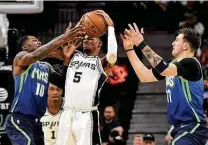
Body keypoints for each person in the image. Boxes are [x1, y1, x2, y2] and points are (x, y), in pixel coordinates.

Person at [121, 24, 208, 145]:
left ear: (186, 45)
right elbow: (144, 76)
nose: (173, 43)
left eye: (177, 40)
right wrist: (129, 49)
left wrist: (141, 44)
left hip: (192, 126)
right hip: (180, 128)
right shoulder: (172, 64)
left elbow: (163, 68)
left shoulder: (192, 64)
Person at [6, 23, 84, 145]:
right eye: (35, 40)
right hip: (19, 118)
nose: (39, 43)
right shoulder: (20, 58)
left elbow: (61, 82)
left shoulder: (46, 67)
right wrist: (62, 38)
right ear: (25, 46)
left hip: (37, 122)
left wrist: (67, 60)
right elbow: (35, 55)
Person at [55, 10, 120, 145]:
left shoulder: (101, 63)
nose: (86, 39)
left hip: (86, 115)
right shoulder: (72, 55)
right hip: (66, 112)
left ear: (99, 44)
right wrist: (72, 32)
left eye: (91, 38)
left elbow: (113, 54)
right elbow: (51, 50)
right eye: (85, 38)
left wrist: (111, 26)